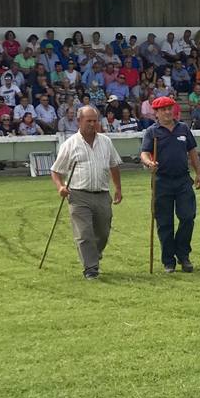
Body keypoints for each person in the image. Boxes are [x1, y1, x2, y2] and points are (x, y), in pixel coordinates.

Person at [50, 105, 123, 279]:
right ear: (79, 121)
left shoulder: (106, 141)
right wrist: (60, 187)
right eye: (88, 120)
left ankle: (94, 256)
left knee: (103, 233)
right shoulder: (70, 144)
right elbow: (56, 170)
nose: (92, 124)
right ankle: (90, 268)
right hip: (78, 195)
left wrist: (118, 188)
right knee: (84, 233)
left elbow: (114, 165)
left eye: (95, 120)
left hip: (102, 194)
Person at [140, 95, 200, 274]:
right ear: (157, 113)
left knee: (187, 217)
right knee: (164, 222)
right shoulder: (152, 132)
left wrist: (199, 173)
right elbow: (144, 153)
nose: (168, 112)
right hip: (161, 181)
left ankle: (183, 255)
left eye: (170, 108)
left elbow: (192, 151)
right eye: (164, 109)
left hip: (183, 180)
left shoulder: (183, 128)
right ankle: (169, 260)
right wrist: (149, 162)